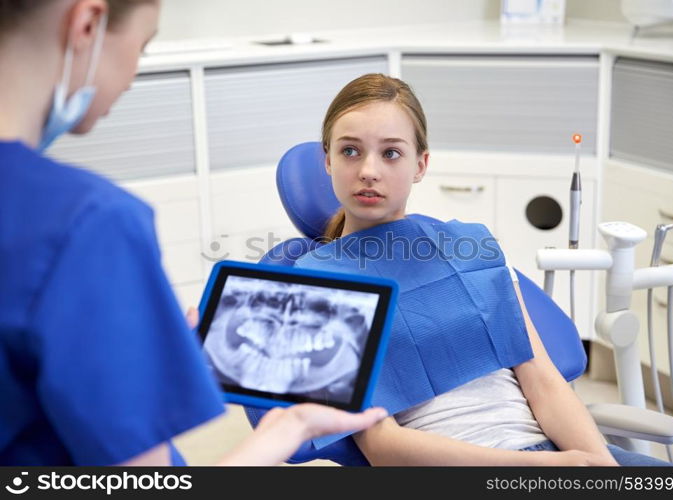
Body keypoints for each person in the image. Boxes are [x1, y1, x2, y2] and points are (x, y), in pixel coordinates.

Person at [0, 0, 386, 466]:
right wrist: (286, 432)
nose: (130, 77)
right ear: (87, 24)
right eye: (142, 46)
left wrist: (125, 352)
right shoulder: (88, 222)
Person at [298, 73, 673, 466]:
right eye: (350, 151)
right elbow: (381, 446)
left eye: (391, 153)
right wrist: (545, 467)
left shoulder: (472, 249)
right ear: (327, 160)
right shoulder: (315, 285)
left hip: (553, 450)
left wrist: (600, 465)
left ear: (420, 164)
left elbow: (543, 383)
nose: (368, 170)